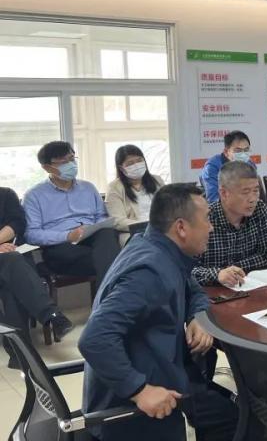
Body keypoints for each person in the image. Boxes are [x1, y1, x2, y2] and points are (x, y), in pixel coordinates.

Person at [79, 183, 237, 441]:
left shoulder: (155, 247)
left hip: (159, 374)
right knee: (242, 424)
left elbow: (192, 287)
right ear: (181, 227)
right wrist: (139, 390)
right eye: (206, 219)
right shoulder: (150, 271)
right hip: (134, 404)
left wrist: (196, 316)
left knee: (226, 407)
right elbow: (94, 338)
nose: (211, 227)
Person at [23, 140, 120, 284]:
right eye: (63, 162)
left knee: (107, 234)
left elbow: (101, 216)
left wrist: (94, 227)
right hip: (61, 246)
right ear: (47, 167)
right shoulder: (34, 195)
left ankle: (109, 294)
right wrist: (68, 235)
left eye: (72, 159)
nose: (71, 165)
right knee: (110, 259)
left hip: (92, 239)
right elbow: (31, 234)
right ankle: (112, 290)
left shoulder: (88, 188)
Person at [0, 186, 72, 365]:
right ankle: (52, 316)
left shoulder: (6, 194)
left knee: (13, 278)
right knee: (13, 264)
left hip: (10, 259)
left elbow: (17, 223)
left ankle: (19, 354)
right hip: (9, 259)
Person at [191, 161, 267, 287]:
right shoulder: (205, 218)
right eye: (245, 192)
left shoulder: (259, 209)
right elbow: (187, 270)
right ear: (224, 193)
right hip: (212, 292)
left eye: (255, 191)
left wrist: (233, 270)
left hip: (249, 286)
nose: (253, 199)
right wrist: (217, 274)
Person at [106, 144, 164, 246]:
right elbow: (117, 220)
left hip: (161, 229)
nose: (136, 165)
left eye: (139, 160)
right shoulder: (114, 187)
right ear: (121, 168)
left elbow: (168, 208)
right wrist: (145, 226)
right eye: (130, 163)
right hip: (134, 233)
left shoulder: (157, 180)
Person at [199, 130, 254, 203]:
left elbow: (254, 192)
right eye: (238, 151)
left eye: (246, 150)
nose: (243, 154)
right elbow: (213, 199)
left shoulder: (250, 164)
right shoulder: (212, 167)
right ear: (226, 152)